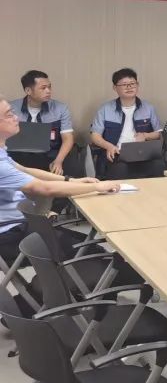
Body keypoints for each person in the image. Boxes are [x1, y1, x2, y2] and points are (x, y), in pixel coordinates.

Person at [0, 97, 121, 265]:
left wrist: (71, 180)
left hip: (22, 225)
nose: (16, 117)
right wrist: (97, 187)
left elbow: (25, 170)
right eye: (9, 115)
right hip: (10, 236)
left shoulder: (2, 152)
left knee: (88, 246)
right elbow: (44, 188)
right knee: (92, 253)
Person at [89, 68, 164, 179]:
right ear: (115, 88)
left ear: (137, 85)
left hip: (143, 154)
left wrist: (145, 135)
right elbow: (95, 136)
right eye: (124, 84)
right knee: (120, 169)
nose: (129, 87)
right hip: (117, 154)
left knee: (158, 166)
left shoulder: (148, 108)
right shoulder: (105, 109)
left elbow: (159, 133)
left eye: (132, 83)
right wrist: (109, 146)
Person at [11, 70, 79, 177]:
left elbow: (68, 138)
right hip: (18, 159)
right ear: (28, 90)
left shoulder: (60, 109)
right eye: (43, 88)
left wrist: (58, 161)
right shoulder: (11, 108)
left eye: (49, 87)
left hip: (49, 157)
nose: (48, 91)